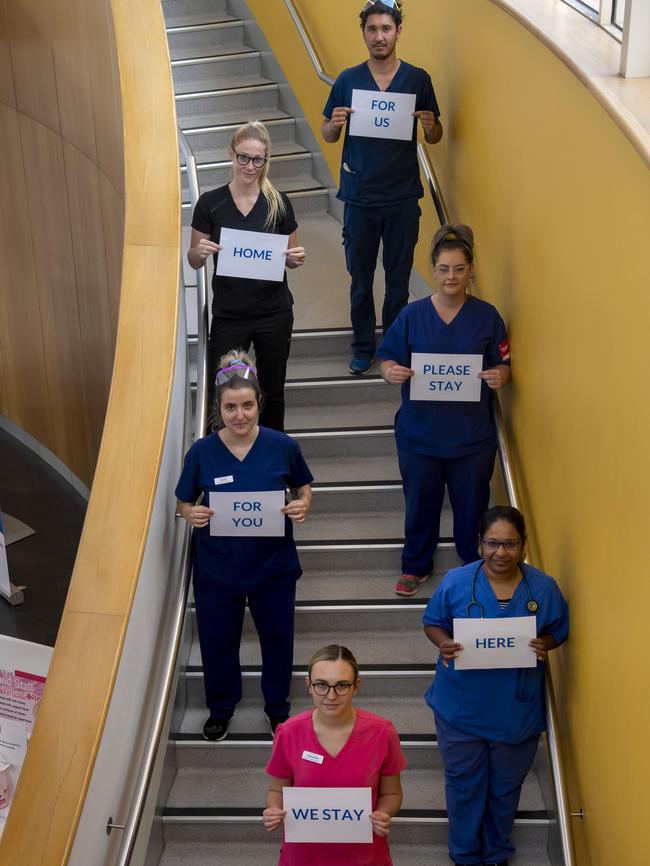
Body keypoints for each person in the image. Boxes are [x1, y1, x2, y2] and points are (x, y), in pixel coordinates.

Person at [175, 351, 313, 741]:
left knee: (277, 640)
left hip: (274, 569)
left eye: (247, 406)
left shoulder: (282, 445)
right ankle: (221, 707)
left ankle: (277, 709)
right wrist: (189, 514)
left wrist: (303, 505)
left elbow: (304, 487)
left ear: (259, 404)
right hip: (218, 571)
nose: (240, 415)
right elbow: (184, 499)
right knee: (218, 642)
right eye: (230, 407)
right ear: (218, 408)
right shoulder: (202, 452)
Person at [422, 506, 569, 866]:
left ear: (523, 545)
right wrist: (443, 643)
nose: (500, 552)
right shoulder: (456, 582)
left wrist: (543, 645)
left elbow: (558, 632)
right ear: (479, 544)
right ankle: (465, 853)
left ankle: (496, 851)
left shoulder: (543, 587)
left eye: (509, 544)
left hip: (515, 710)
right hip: (461, 707)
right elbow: (433, 623)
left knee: (505, 789)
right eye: (492, 543)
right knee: (464, 786)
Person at [376, 224, 511, 597]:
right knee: (420, 503)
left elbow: (502, 362)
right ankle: (416, 564)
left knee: (472, 507)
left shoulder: (487, 317)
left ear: (470, 271)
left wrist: (500, 374)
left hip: (471, 438)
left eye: (459, 268)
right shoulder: (412, 316)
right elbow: (387, 357)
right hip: (420, 436)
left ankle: (472, 567)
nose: (451, 276)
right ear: (433, 270)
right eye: (443, 268)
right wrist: (391, 372)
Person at [322, 0, 443, 375]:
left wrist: (428, 126)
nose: (379, 36)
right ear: (364, 34)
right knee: (360, 280)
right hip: (359, 197)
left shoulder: (418, 80)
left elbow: (436, 135)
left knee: (397, 280)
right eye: (372, 29)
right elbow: (327, 133)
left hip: (403, 197)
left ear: (398, 32)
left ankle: (391, 346)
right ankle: (362, 346)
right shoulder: (347, 80)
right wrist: (336, 122)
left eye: (385, 29)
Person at [188, 121, 306, 431]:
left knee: (272, 390)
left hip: (274, 313)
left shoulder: (278, 203)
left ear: (266, 161)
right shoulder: (210, 203)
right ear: (231, 153)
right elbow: (193, 260)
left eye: (258, 160)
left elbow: (292, 258)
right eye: (243, 157)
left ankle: (272, 456)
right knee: (224, 389)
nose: (250, 166)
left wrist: (296, 258)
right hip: (230, 314)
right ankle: (225, 455)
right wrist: (199, 252)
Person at [262, 644, 406, 866]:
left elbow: (392, 794)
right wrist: (273, 810)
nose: (331, 695)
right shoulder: (289, 732)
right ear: (308, 685)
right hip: (303, 856)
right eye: (321, 685)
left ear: (356, 686)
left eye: (342, 685)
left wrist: (383, 813)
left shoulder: (381, 732)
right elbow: (276, 789)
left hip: (364, 856)